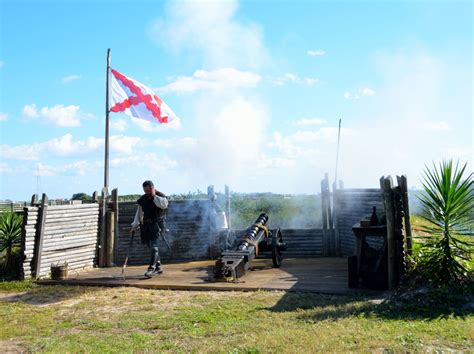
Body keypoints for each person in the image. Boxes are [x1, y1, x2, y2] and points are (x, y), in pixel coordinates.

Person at [131, 180, 168, 278]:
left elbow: (163, 205)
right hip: (146, 226)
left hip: (156, 225)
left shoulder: (161, 197)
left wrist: (154, 196)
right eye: (145, 191)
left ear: (152, 187)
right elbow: (138, 213)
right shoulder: (143, 199)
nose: (147, 192)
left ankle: (151, 269)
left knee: (154, 247)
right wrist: (134, 225)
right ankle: (158, 267)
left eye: (148, 190)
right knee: (151, 247)